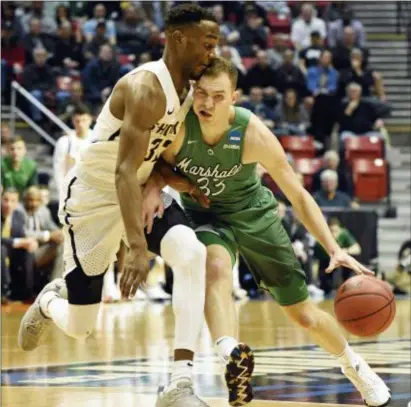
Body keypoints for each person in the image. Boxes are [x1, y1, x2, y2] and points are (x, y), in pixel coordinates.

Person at [144, 57, 390, 407]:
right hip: (207, 216)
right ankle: (231, 354)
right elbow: (152, 165)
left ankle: (357, 370)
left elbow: (298, 195)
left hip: (255, 216)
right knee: (213, 267)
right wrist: (156, 183)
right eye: (201, 94)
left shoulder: (252, 133)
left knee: (303, 315)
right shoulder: (178, 127)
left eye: (218, 95)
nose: (207, 103)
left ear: (234, 97)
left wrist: (333, 247)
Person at [18, 5, 220, 407]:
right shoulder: (146, 87)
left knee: (192, 253)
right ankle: (48, 301)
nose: (212, 53)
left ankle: (180, 384)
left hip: (139, 188)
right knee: (80, 327)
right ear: (179, 39)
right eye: (207, 43)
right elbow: (123, 172)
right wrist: (137, 248)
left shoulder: (188, 92)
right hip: (95, 197)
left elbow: (151, 161)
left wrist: (184, 184)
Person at [1, 188, 38, 303]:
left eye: (12, 201)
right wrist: (18, 242)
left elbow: (22, 236)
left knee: (27, 252)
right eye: (6, 200)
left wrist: (30, 242)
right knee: (1, 249)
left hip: (11, 252)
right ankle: (3, 292)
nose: (8, 204)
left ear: (17, 203)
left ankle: (27, 293)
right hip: (2, 250)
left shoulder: (19, 216)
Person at [313, 217, 361, 294]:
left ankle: (348, 286)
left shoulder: (344, 234)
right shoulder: (321, 238)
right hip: (327, 265)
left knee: (348, 260)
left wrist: (345, 250)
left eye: (336, 231)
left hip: (342, 265)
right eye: (331, 231)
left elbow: (357, 249)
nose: (334, 234)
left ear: (340, 230)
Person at [53, 104, 93, 193]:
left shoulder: (98, 140)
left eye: (84, 120)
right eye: (77, 121)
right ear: (73, 121)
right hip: (71, 189)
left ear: (90, 119)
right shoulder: (64, 141)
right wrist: (62, 192)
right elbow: (58, 169)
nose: (80, 124)